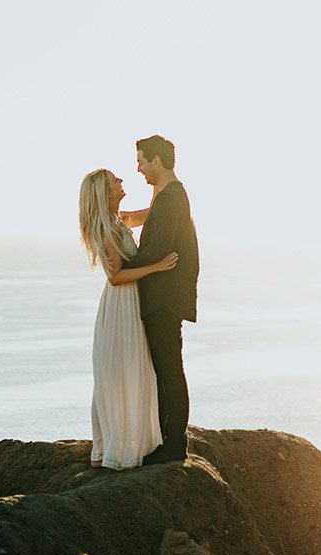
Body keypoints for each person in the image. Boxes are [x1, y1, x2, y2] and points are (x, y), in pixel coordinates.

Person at [78, 168, 178, 469]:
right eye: (115, 181)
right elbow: (116, 277)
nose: (122, 182)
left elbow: (150, 213)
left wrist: (161, 181)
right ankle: (115, 446)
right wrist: (157, 267)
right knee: (123, 370)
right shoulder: (107, 228)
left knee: (128, 369)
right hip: (122, 303)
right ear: (106, 193)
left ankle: (118, 440)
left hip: (130, 302)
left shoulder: (118, 220)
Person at [122, 135, 200, 465]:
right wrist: (118, 218)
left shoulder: (172, 198)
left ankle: (174, 445)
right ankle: (167, 440)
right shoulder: (167, 195)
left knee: (169, 370)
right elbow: (146, 220)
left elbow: (159, 248)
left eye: (141, 161)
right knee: (165, 370)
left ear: (157, 161)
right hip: (164, 296)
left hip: (165, 298)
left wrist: (122, 266)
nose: (138, 168)